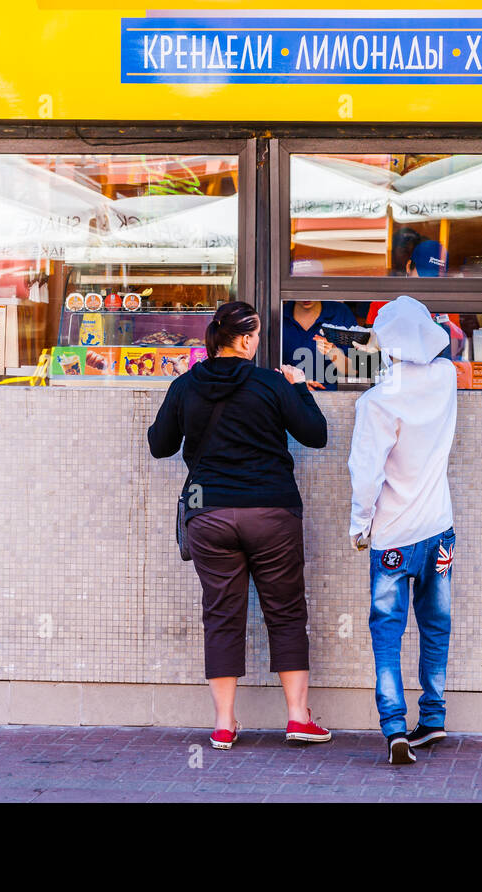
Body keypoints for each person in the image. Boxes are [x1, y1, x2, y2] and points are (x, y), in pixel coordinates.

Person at [148, 301, 333, 750]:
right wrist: (298, 387)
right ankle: (296, 718)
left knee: (221, 614)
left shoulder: (185, 384)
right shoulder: (271, 382)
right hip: (271, 511)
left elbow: (159, 446)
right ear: (248, 339)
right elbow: (316, 434)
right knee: (286, 612)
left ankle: (225, 724)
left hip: (208, 513)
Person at [348, 296, 458, 765]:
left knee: (387, 635)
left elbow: (365, 472)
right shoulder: (448, 379)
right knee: (436, 627)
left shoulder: (376, 401)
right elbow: (442, 346)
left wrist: (359, 526)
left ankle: (394, 727)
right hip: (440, 529)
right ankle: (432, 719)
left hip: (392, 536)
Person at [281, 299, 359, 390]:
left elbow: (355, 370)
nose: (306, 297)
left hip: (334, 399)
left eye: (310, 288)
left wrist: (334, 353)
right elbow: (269, 368)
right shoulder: (279, 312)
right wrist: (296, 384)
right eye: (302, 289)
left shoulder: (340, 313)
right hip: (290, 397)